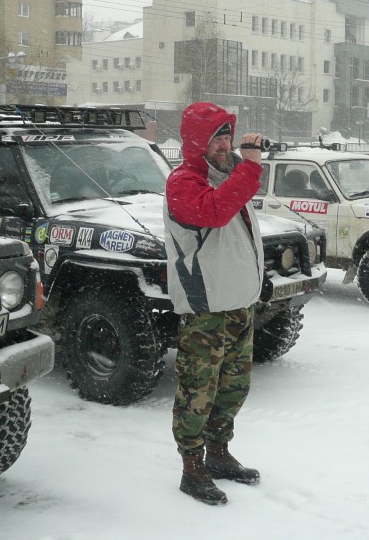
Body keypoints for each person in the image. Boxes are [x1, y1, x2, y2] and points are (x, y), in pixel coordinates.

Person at [163, 102, 265, 506]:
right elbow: (216, 212)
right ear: (196, 143)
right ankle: (192, 467)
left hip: (239, 303)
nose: (224, 146)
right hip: (206, 308)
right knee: (198, 391)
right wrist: (250, 166)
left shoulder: (228, 174)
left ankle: (219, 454)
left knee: (233, 387)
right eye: (215, 139)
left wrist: (244, 164)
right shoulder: (183, 182)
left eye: (227, 138)